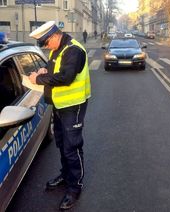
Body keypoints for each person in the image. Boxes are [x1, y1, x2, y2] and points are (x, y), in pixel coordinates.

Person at [29, 21, 91, 210]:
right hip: (60, 105)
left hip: (73, 106)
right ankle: (66, 175)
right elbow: (55, 71)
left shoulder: (74, 50)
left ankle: (75, 187)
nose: (46, 47)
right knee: (62, 144)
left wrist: (39, 79)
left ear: (55, 36)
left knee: (72, 147)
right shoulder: (57, 48)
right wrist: (44, 71)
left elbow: (66, 77)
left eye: (46, 43)